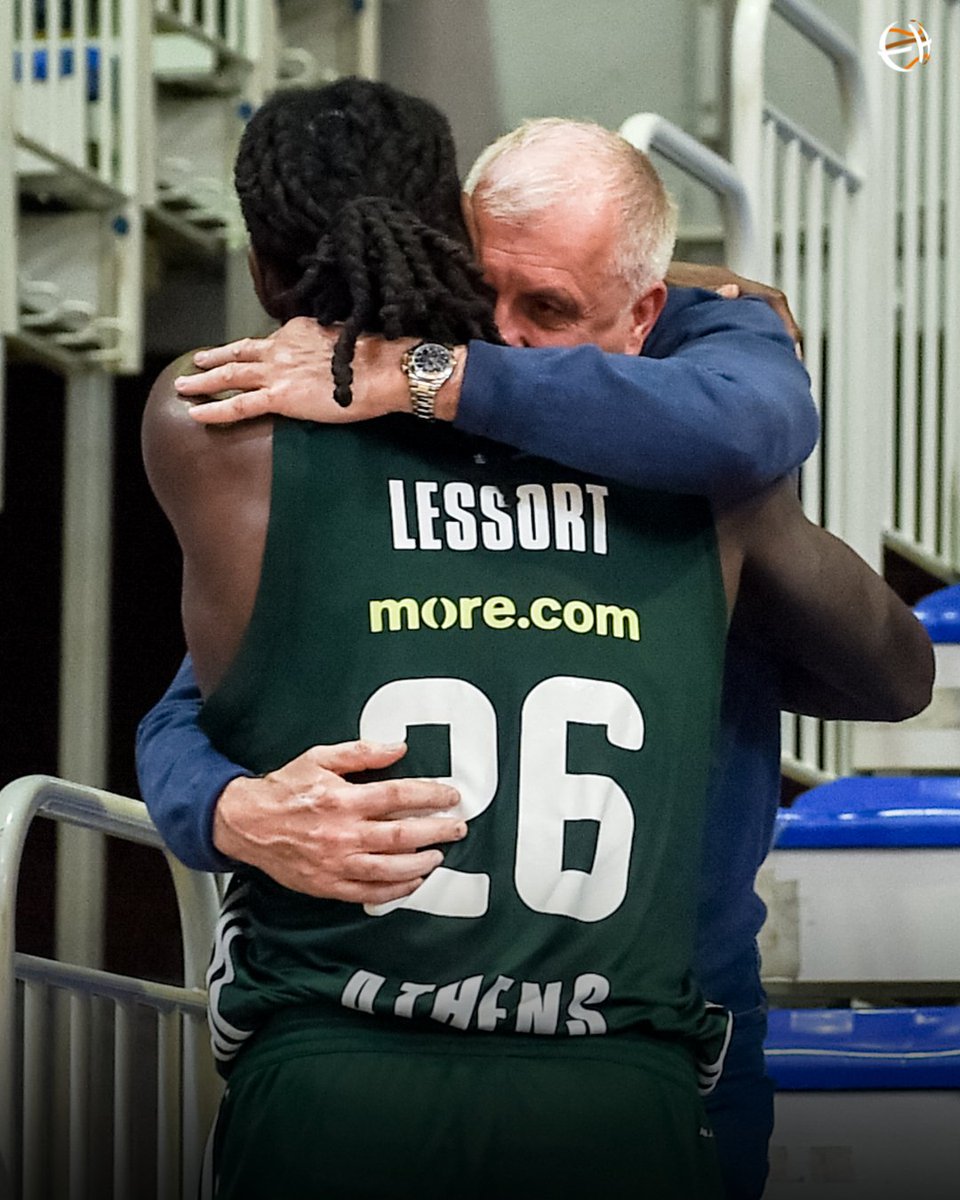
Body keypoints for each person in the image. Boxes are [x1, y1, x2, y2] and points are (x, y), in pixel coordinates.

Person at [140, 108, 933, 1200]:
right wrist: (226, 808)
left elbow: (882, 652)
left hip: (667, 1015)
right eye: (483, 293)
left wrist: (431, 374)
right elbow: (204, 699)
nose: (499, 334)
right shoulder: (377, 427)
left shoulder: (703, 415)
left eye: (548, 308)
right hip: (483, 1048)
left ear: (646, 313)